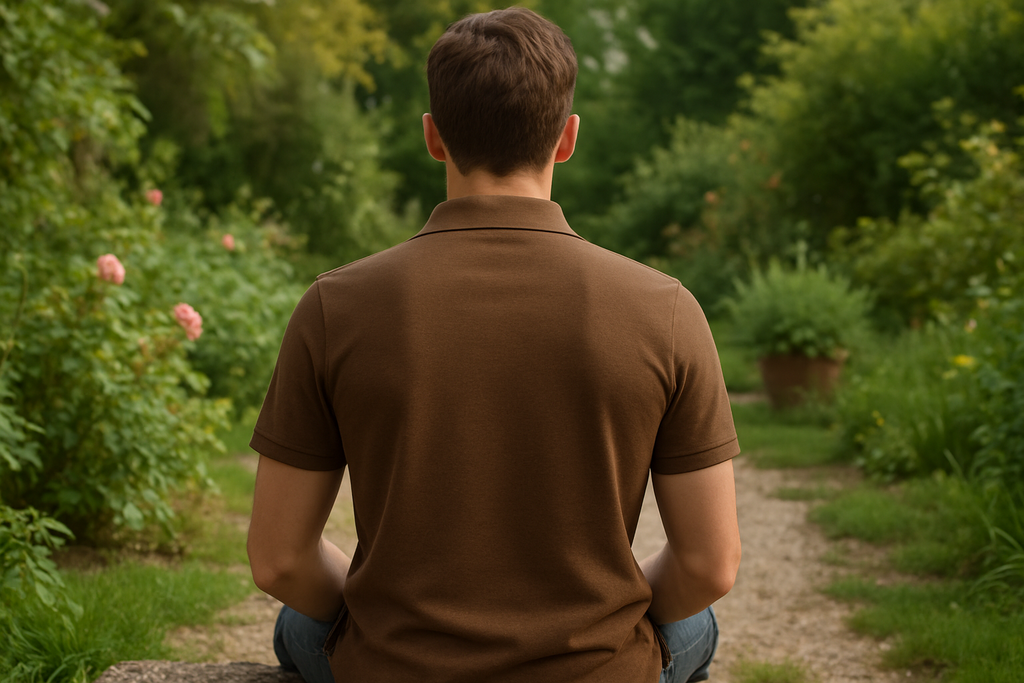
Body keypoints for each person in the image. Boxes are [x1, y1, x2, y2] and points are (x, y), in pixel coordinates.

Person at [247, 7, 741, 683]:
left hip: (396, 667)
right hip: (591, 670)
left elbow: (279, 559)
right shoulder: (666, 308)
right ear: (567, 139)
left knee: (300, 624)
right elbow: (709, 565)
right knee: (695, 624)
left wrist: (381, 622)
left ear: (434, 137)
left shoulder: (335, 304)